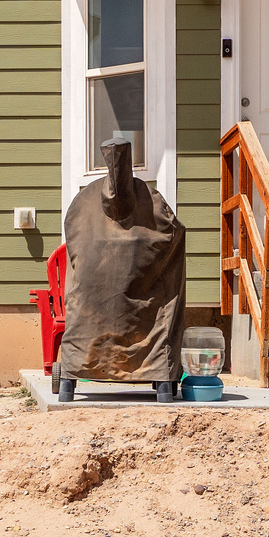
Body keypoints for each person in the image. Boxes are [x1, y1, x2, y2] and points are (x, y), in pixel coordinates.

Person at [55, 138, 186, 403]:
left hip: (87, 326)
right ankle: (161, 379)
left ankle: (70, 382)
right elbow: (174, 236)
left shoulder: (82, 208)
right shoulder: (154, 209)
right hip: (148, 332)